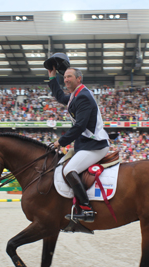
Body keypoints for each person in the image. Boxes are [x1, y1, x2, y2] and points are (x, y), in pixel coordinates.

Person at [47, 66, 110, 223]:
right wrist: (52, 78)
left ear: (79, 79)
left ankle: (87, 209)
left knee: (69, 170)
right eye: (65, 77)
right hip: (85, 143)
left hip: (95, 144)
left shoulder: (83, 97)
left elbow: (79, 126)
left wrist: (60, 142)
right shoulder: (76, 95)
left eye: (69, 77)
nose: (66, 79)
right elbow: (60, 96)